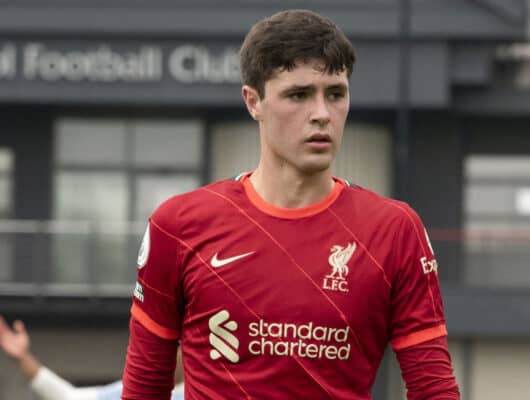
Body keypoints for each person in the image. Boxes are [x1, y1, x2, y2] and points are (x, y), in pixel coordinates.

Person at [122, 8, 460, 400]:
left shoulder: (394, 229)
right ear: (254, 102)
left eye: (335, 94)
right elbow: (144, 389)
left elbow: (433, 389)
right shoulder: (178, 224)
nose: (321, 114)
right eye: (298, 95)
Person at [0, 315, 184, 400]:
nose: (161, 353)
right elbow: (69, 397)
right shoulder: (132, 392)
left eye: (173, 347)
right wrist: (23, 358)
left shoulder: (204, 392)